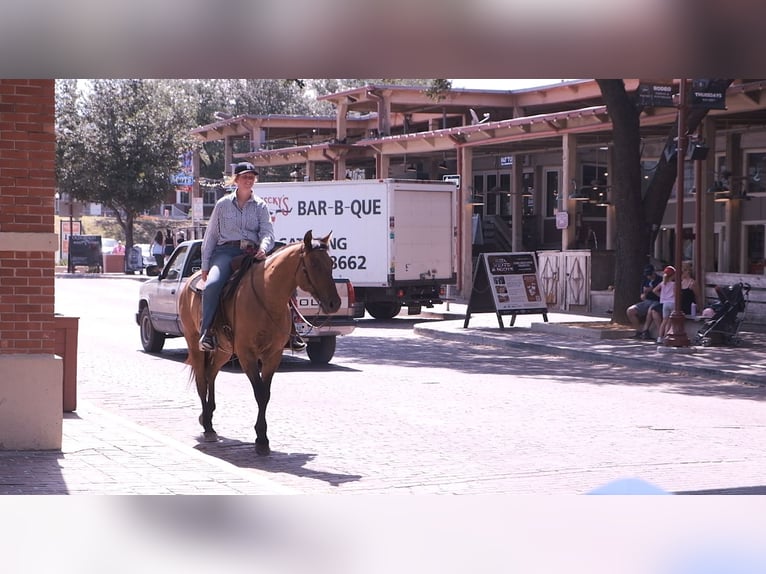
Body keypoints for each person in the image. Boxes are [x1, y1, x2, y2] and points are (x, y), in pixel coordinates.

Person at [198, 161, 275, 351]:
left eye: (252, 177)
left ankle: (292, 330)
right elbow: (211, 235)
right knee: (213, 284)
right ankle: (207, 332)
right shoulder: (222, 204)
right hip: (226, 252)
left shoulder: (260, 206)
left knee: (281, 279)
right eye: (245, 177)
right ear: (236, 180)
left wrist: (264, 248)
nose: (249, 180)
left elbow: (267, 231)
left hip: (252, 253)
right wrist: (205, 265)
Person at [627, 264, 662, 339]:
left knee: (651, 309)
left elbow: (662, 294)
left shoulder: (660, 280)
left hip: (657, 300)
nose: (649, 276)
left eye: (650, 274)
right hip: (647, 301)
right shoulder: (645, 280)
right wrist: (644, 294)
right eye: (647, 275)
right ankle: (638, 331)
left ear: (654, 272)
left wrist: (652, 290)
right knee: (630, 310)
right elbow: (642, 296)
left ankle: (645, 330)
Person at [652, 265, 676, 344]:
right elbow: (676, 294)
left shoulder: (663, 283)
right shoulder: (674, 284)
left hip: (665, 303)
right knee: (670, 321)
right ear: (673, 275)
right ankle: (666, 337)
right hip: (672, 302)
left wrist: (662, 296)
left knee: (664, 321)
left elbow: (654, 290)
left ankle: (659, 337)